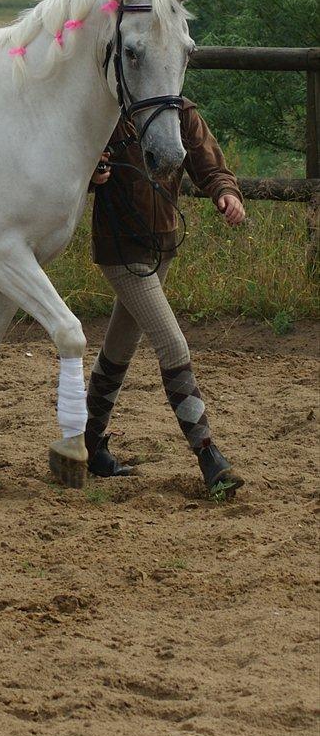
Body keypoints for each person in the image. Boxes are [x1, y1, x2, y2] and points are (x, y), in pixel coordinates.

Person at [87, 99, 246, 496]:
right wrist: (92, 174)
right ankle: (208, 455)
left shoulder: (180, 111)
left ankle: (87, 445)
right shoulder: (106, 111)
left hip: (162, 248)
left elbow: (209, 163)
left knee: (119, 347)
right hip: (120, 250)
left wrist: (226, 193)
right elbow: (69, 166)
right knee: (172, 345)